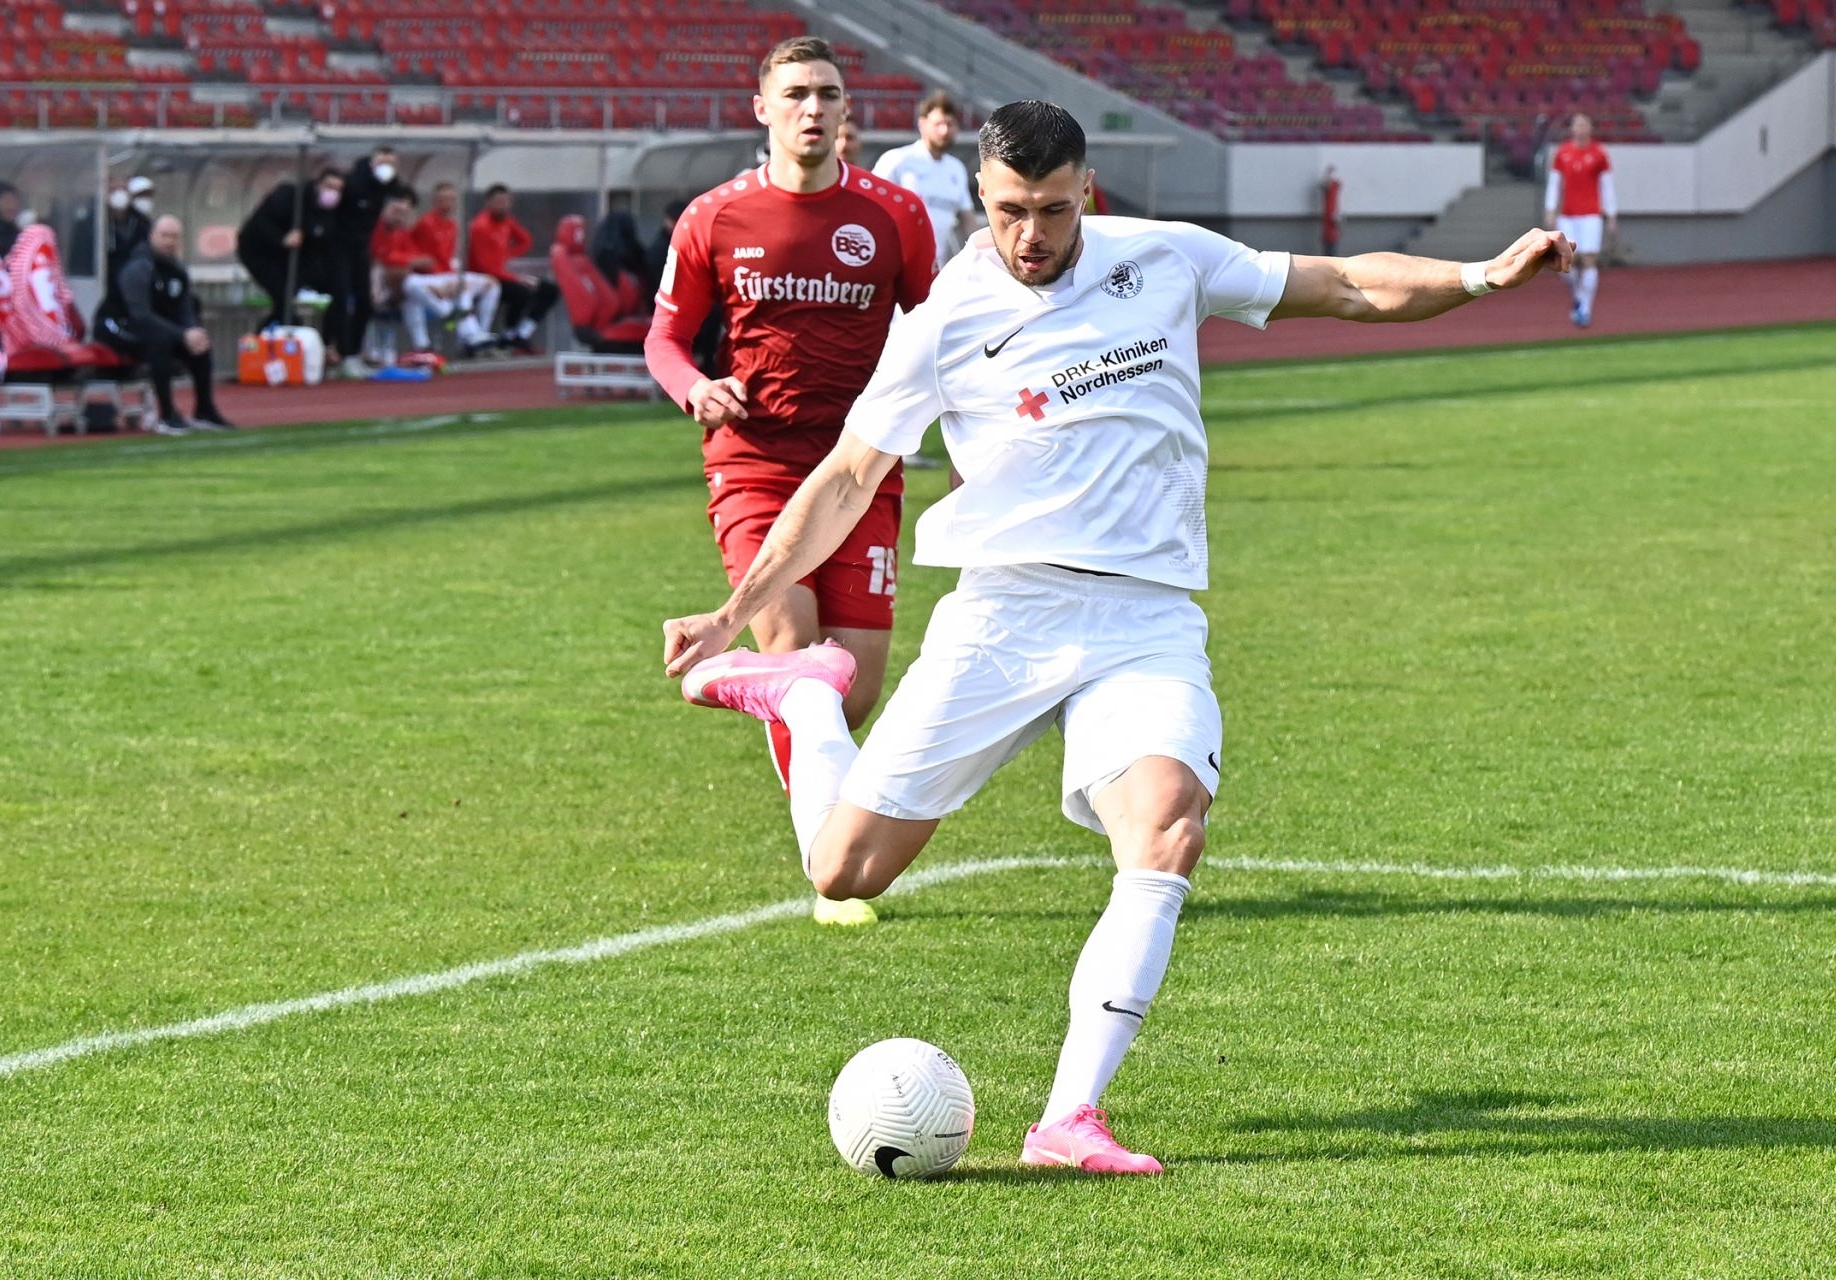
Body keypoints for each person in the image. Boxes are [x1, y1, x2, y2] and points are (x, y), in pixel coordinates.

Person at [662, 100, 1571, 1172]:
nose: (1031, 235)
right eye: (1009, 212)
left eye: (1052, 209)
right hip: (1006, 612)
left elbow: (1341, 285)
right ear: (982, 201)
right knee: (846, 870)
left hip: (1145, 615)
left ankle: (1066, 1119)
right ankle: (808, 699)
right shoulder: (947, 315)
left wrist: (1478, 277)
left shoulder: (1166, 258)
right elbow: (848, 475)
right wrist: (735, 611)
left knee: (1169, 824)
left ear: (1087, 189)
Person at [644, 35, 939, 928]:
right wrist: (694, 386)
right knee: (802, 667)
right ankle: (829, 866)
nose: (815, 108)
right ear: (763, 110)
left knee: (850, 689)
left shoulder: (895, 215)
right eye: (798, 93)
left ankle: (775, 718)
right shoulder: (712, 218)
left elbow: (937, 336)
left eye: (830, 94)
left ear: (849, 112)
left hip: (864, 463)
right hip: (757, 466)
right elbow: (663, 339)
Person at [96, 213, 233, 436]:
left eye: (174, 237)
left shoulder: (177, 270)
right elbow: (140, 315)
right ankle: (167, 415)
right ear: (152, 236)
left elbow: (185, 307)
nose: (169, 241)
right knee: (160, 343)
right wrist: (181, 335)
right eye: (164, 235)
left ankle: (204, 411)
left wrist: (192, 332)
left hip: (151, 328)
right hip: (117, 328)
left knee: (199, 344)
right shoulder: (139, 268)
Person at [369, 189, 500, 357]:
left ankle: (473, 334)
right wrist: (413, 264)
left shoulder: (404, 231)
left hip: (419, 279)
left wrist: (434, 277)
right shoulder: (379, 229)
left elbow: (420, 258)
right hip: (385, 287)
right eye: (396, 211)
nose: (400, 216)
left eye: (405, 212)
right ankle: (457, 324)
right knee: (411, 286)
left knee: (488, 284)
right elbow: (384, 258)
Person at [237, 166, 347, 355]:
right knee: (284, 300)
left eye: (338, 189)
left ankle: (330, 345)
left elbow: (322, 247)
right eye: (329, 186)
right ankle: (257, 349)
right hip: (260, 254)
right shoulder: (289, 197)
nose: (333, 193)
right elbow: (259, 224)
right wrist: (282, 239)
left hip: (292, 260)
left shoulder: (329, 215)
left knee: (339, 289)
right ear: (318, 184)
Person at [872, 89, 979, 268]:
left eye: (950, 123)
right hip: (895, 264)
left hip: (936, 269)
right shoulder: (897, 159)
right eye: (938, 124)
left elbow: (967, 220)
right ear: (922, 124)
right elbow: (872, 206)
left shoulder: (956, 169)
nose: (944, 130)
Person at [336, 145, 404, 377]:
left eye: (391, 164)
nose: (387, 169)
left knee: (365, 301)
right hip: (339, 248)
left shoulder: (387, 189)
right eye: (383, 163)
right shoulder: (353, 184)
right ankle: (342, 353)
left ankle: (353, 353)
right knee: (342, 298)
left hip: (361, 250)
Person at [468, 183, 559, 350]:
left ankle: (523, 333)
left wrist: (507, 254)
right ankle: (508, 334)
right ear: (488, 203)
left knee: (550, 290)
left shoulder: (506, 222)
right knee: (521, 292)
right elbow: (485, 267)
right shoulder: (481, 226)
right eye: (499, 201)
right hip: (487, 279)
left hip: (502, 275)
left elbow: (525, 239)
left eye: (506, 201)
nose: (504, 206)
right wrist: (517, 279)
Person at [1544, 113, 1616, 328]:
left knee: (1589, 259)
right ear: (1572, 128)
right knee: (1567, 262)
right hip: (1567, 215)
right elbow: (1554, 183)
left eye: (1585, 124)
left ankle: (1584, 308)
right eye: (1577, 124)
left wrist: (1611, 214)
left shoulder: (1599, 154)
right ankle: (1578, 296)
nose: (1581, 127)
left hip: (1591, 214)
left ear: (1591, 128)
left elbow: (1607, 186)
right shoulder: (1563, 153)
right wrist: (1550, 209)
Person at [104, 176, 154, 287]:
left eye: (123, 190)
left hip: (135, 283)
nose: (119, 194)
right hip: (107, 283)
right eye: (113, 190)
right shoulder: (96, 222)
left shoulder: (142, 222)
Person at [1320, 164, 1342, 256]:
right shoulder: (1330, 187)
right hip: (1329, 217)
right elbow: (1324, 185)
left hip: (1332, 215)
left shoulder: (1334, 186)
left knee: (1331, 247)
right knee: (1329, 247)